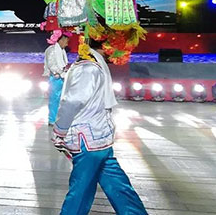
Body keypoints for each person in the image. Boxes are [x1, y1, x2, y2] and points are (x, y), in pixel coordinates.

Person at [52, 38, 147, 215]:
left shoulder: (90, 65)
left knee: (98, 189)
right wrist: (60, 130)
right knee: (103, 188)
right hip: (91, 138)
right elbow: (74, 100)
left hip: (94, 139)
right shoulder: (89, 67)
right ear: (106, 46)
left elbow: (74, 100)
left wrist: (59, 131)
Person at [44, 31, 69, 127]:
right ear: (61, 40)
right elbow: (51, 65)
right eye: (66, 41)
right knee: (54, 99)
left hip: (62, 77)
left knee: (61, 99)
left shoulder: (61, 50)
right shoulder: (52, 50)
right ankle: (52, 120)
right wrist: (59, 73)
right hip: (56, 78)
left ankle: (59, 118)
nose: (67, 44)